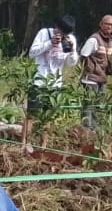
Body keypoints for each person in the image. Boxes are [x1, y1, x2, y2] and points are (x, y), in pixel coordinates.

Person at [26, 15, 79, 147]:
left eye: (65, 33)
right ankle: (25, 144)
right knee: (31, 115)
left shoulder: (70, 39)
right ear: (56, 26)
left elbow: (71, 63)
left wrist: (72, 51)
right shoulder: (44, 33)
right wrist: (50, 43)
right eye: (60, 30)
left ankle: (43, 146)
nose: (61, 34)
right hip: (39, 81)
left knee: (48, 117)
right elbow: (32, 53)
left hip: (55, 84)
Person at [79, 14, 112, 129]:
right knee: (89, 106)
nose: (109, 26)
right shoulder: (94, 39)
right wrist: (90, 69)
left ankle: (95, 130)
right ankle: (86, 129)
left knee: (98, 106)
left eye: (111, 25)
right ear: (101, 24)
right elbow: (83, 55)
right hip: (90, 79)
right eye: (107, 24)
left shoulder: (110, 41)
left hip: (102, 79)